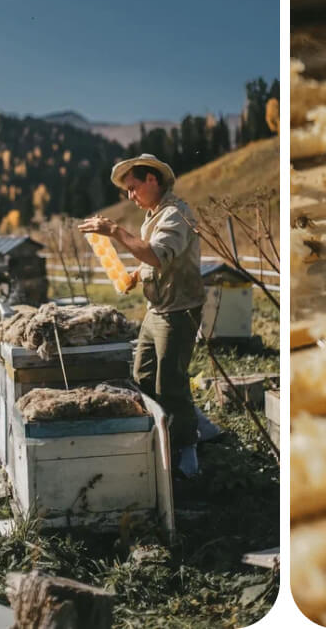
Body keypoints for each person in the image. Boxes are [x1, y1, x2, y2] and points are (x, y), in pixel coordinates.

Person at [77, 153, 204, 477]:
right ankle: (162, 434)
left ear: (153, 179)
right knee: (144, 374)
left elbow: (159, 254)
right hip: (156, 308)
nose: (130, 196)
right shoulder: (154, 215)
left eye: (133, 188)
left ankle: (186, 450)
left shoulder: (175, 214)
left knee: (171, 381)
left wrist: (116, 231)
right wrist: (136, 273)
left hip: (178, 309)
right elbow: (152, 256)